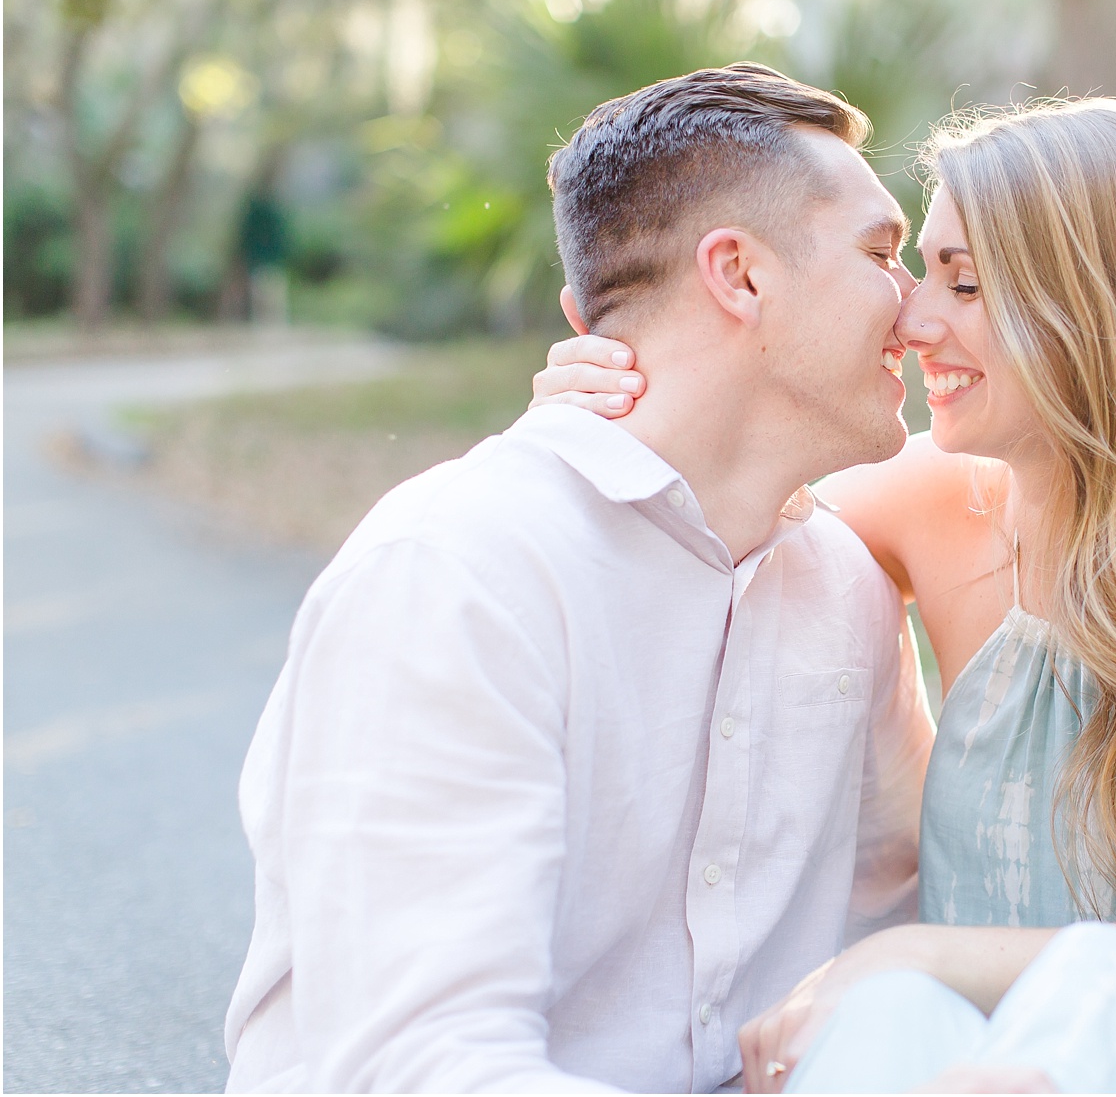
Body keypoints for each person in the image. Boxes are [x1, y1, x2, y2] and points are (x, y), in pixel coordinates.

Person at [534, 98, 1116, 1093]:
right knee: (893, 1023)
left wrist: (912, 954)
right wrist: (604, 405)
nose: (914, 316)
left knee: (1030, 990)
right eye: (921, 270)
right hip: (965, 1070)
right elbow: (691, 522)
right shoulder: (930, 501)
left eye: (962, 281)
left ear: (1104, 305)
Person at [221, 64, 938, 1092]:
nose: (914, 309)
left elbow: (906, 917)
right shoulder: (459, 573)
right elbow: (422, 1066)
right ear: (738, 274)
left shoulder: (842, 587)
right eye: (882, 253)